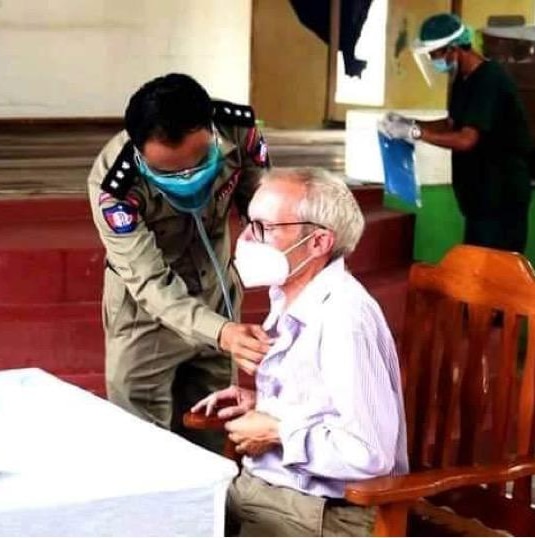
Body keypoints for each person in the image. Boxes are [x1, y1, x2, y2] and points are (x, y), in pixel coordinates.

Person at [192, 167, 409, 536]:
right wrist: (264, 404)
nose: (246, 239)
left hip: (321, 515)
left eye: (265, 228)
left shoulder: (343, 319)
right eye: (248, 224)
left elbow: (369, 452)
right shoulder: (295, 295)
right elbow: (325, 402)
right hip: (269, 492)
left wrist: (277, 430)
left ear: (319, 242)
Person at [86, 73, 272, 452]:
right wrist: (221, 332)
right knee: (138, 444)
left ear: (211, 131)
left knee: (212, 432)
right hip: (145, 316)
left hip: (216, 293)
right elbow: (149, 282)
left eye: (199, 163)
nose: (187, 178)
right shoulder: (114, 185)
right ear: (140, 153)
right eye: (168, 172)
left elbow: (266, 212)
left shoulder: (238, 130)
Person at [381, 12, 532, 253]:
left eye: (434, 54)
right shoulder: (464, 78)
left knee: (496, 270)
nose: (433, 61)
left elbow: (466, 139)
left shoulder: (490, 79)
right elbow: (453, 123)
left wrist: (416, 133)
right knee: (477, 262)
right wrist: (409, 123)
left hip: (501, 195)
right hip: (480, 196)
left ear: (453, 49)